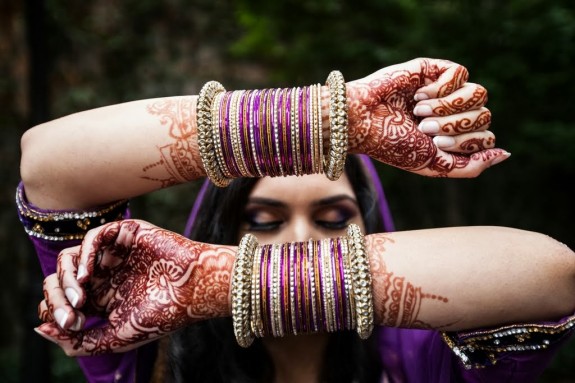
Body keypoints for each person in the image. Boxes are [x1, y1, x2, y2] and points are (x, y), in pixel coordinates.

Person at [17, 58, 575, 382]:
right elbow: (47, 162)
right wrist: (333, 120)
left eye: (335, 220)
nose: (301, 241)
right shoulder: (142, 341)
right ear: (222, 230)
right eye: (262, 221)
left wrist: (214, 281)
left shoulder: (418, 361)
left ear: (370, 229)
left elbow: (553, 275)